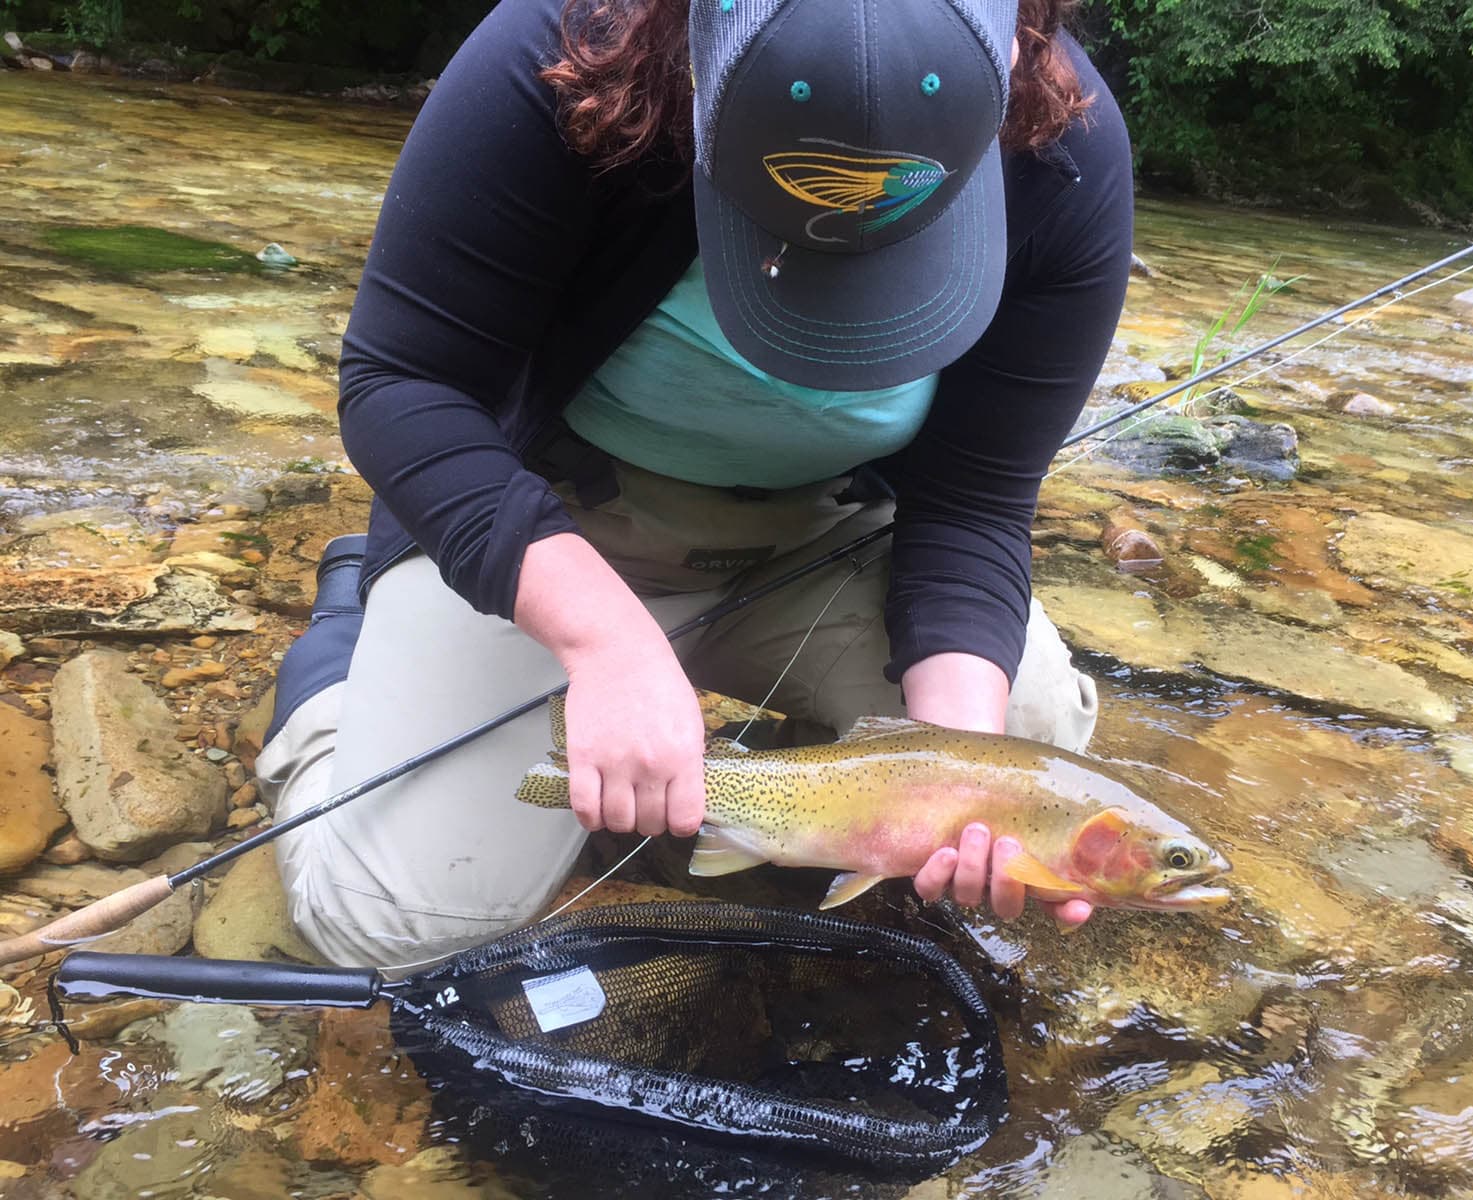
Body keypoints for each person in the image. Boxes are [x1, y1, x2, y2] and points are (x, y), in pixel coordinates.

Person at [256, 0, 1133, 970]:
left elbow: (972, 501)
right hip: (552, 528)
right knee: (394, 934)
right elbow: (401, 383)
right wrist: (603, 639)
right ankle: (336, 667)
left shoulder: (1063, 151)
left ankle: (800, 788)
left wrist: (958, 783)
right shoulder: (566, 59)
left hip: (826, 537)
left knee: (1027, 731)